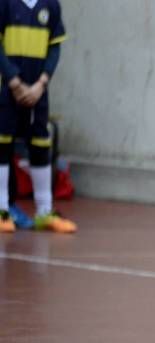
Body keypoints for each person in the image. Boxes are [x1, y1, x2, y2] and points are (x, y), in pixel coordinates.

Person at [0, 0, 74, 233]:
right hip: (7, 88)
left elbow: (55, 47)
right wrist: (12, 80)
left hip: (37, 91)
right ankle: (2, 211)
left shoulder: (50, 5)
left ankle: (44, 212)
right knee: (2, 144)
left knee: (40, 144)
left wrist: (42, 83)